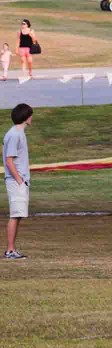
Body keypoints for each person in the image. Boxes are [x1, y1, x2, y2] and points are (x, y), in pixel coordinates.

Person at [4, 103, 33, 260]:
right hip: (16, 181)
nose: (32, 117)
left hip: (19, 180)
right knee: (15, 215)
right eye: (30, 114)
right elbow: (9, 161)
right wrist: (20, 181)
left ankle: (12, 249)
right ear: (25, 117)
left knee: (18, 215)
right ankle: (10, 250)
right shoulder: (15, 134)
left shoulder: (18, 133)